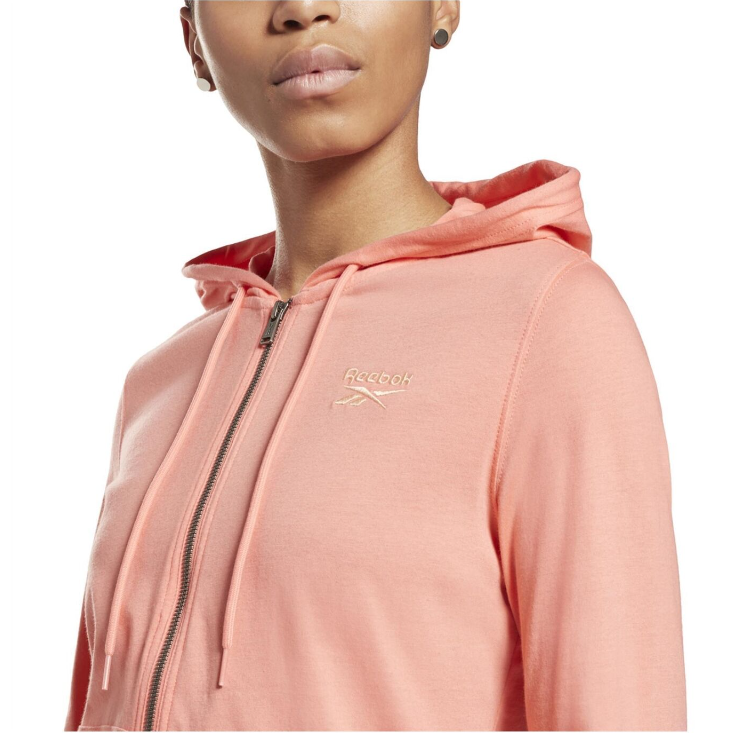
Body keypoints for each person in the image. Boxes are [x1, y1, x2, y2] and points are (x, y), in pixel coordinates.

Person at [64, 2, 687, 731]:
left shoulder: (545, 320)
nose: (304, 7)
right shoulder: (163, 382)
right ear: (192, 41)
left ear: (442, 6)